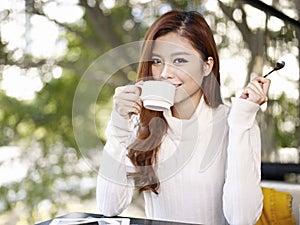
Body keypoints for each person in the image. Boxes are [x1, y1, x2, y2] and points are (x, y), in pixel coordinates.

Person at [97, 10, 271, 225]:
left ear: (207, 66)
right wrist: (118, 124)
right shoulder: (141, 123)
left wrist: (240, 124)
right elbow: (108, 206)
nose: (164, 73)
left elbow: (242, 219)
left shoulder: (236, 123)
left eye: (179, 60)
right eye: (157, 61)